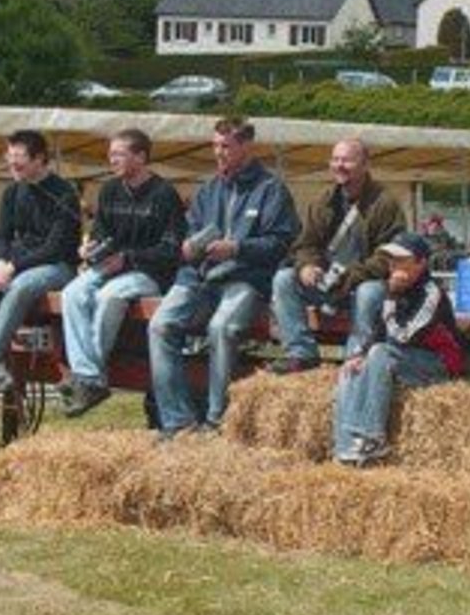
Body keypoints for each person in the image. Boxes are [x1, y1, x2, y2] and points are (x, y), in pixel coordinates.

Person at [148, 117, 300, 437]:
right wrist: (188, 246)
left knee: (222, 328)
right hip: (200, 278)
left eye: (226, 146)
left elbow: (282, 242)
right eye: (215, 145)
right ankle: (178, 422)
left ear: (247, 146)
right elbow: (189, 232)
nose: (218, 153)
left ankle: (217, 421)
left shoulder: (271, 189)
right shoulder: (208, 190)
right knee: (159, 325)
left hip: (246, 278)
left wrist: (238, 248)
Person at [59, 128, 185, 417]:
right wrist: (92, 249)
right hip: (113, 265)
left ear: (140, 157)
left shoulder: (164, 194)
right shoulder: (110, 190)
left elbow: (171, 251)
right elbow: (104, 235)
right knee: (72, 292)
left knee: (109, 296)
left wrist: (127, 258)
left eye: (118, 154)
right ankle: (87, 375)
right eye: (110, 153)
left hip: (150, 273)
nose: (111, 159)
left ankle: (88, 380)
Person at [0, 129, 80, 405]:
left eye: (18, 158)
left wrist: (13, 267)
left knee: (21, 286)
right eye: (8, 157)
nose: (11, 164)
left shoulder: (64, 193)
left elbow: (55, 248)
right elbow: (1, 235)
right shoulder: (12, 191)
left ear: (39, 159)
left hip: (56, 266)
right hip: (16, 263)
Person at [269, 138, 405, 373]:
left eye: (347, 160)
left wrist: (352, 276)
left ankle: (355, 356)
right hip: (327, 283)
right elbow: (305, 244)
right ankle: (300, 353)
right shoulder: (323, 201)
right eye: (335, 159)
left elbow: (389, 254)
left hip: (362, 283)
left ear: (364, 164)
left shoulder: (385, 203)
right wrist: (307, 266)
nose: (339, 165)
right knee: (284, 279)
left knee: (369, 291)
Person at [332, 231, 462, 466]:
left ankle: (373, 438)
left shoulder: (432, 293)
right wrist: (360, 356)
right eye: (391, 259)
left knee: (380, 353)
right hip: (402, 358)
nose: (393, 265)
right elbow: (379, 331)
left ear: (421, 263)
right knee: (351, 367)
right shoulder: (396, 290)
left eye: (401, 259)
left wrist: (390, 295)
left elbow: (403, 336)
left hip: (437, 364)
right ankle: (345, 447)